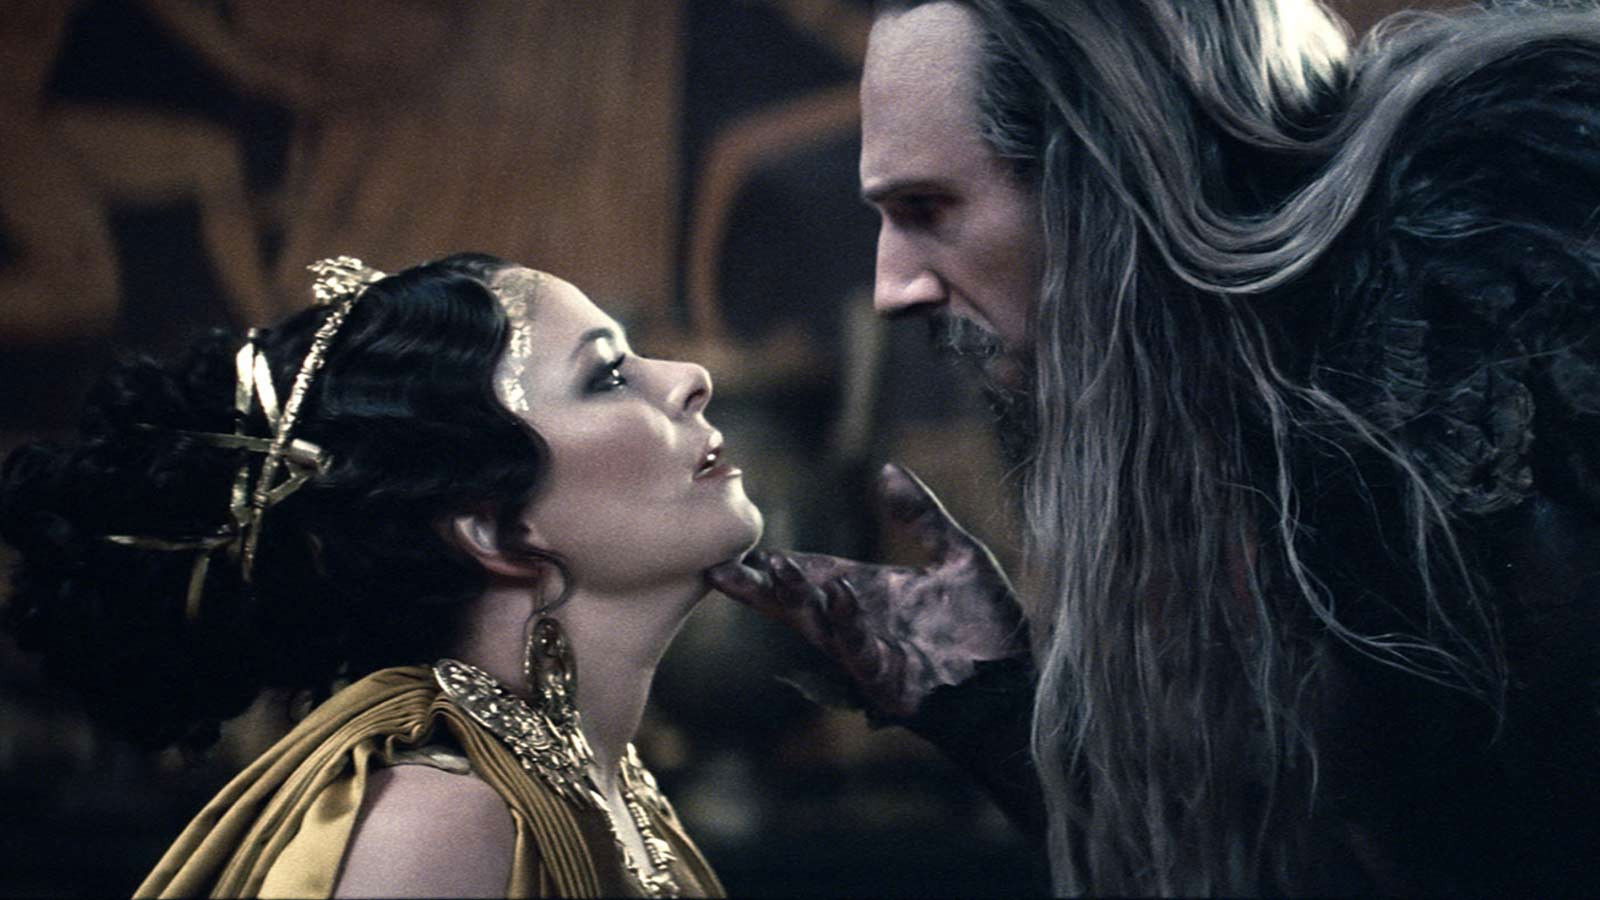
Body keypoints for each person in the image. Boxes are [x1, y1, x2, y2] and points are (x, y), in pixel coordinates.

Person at [710, 0, 1600, 894]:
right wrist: (990, 705)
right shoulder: (1282, 401)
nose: (891, 287)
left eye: (925, 207)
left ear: (1106, 177)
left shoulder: (1487, 301)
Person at [0, 253, 763, 897]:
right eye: (607, 376)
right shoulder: (436, 826)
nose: (690, 376)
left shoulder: (604, 779)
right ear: (495, 528)